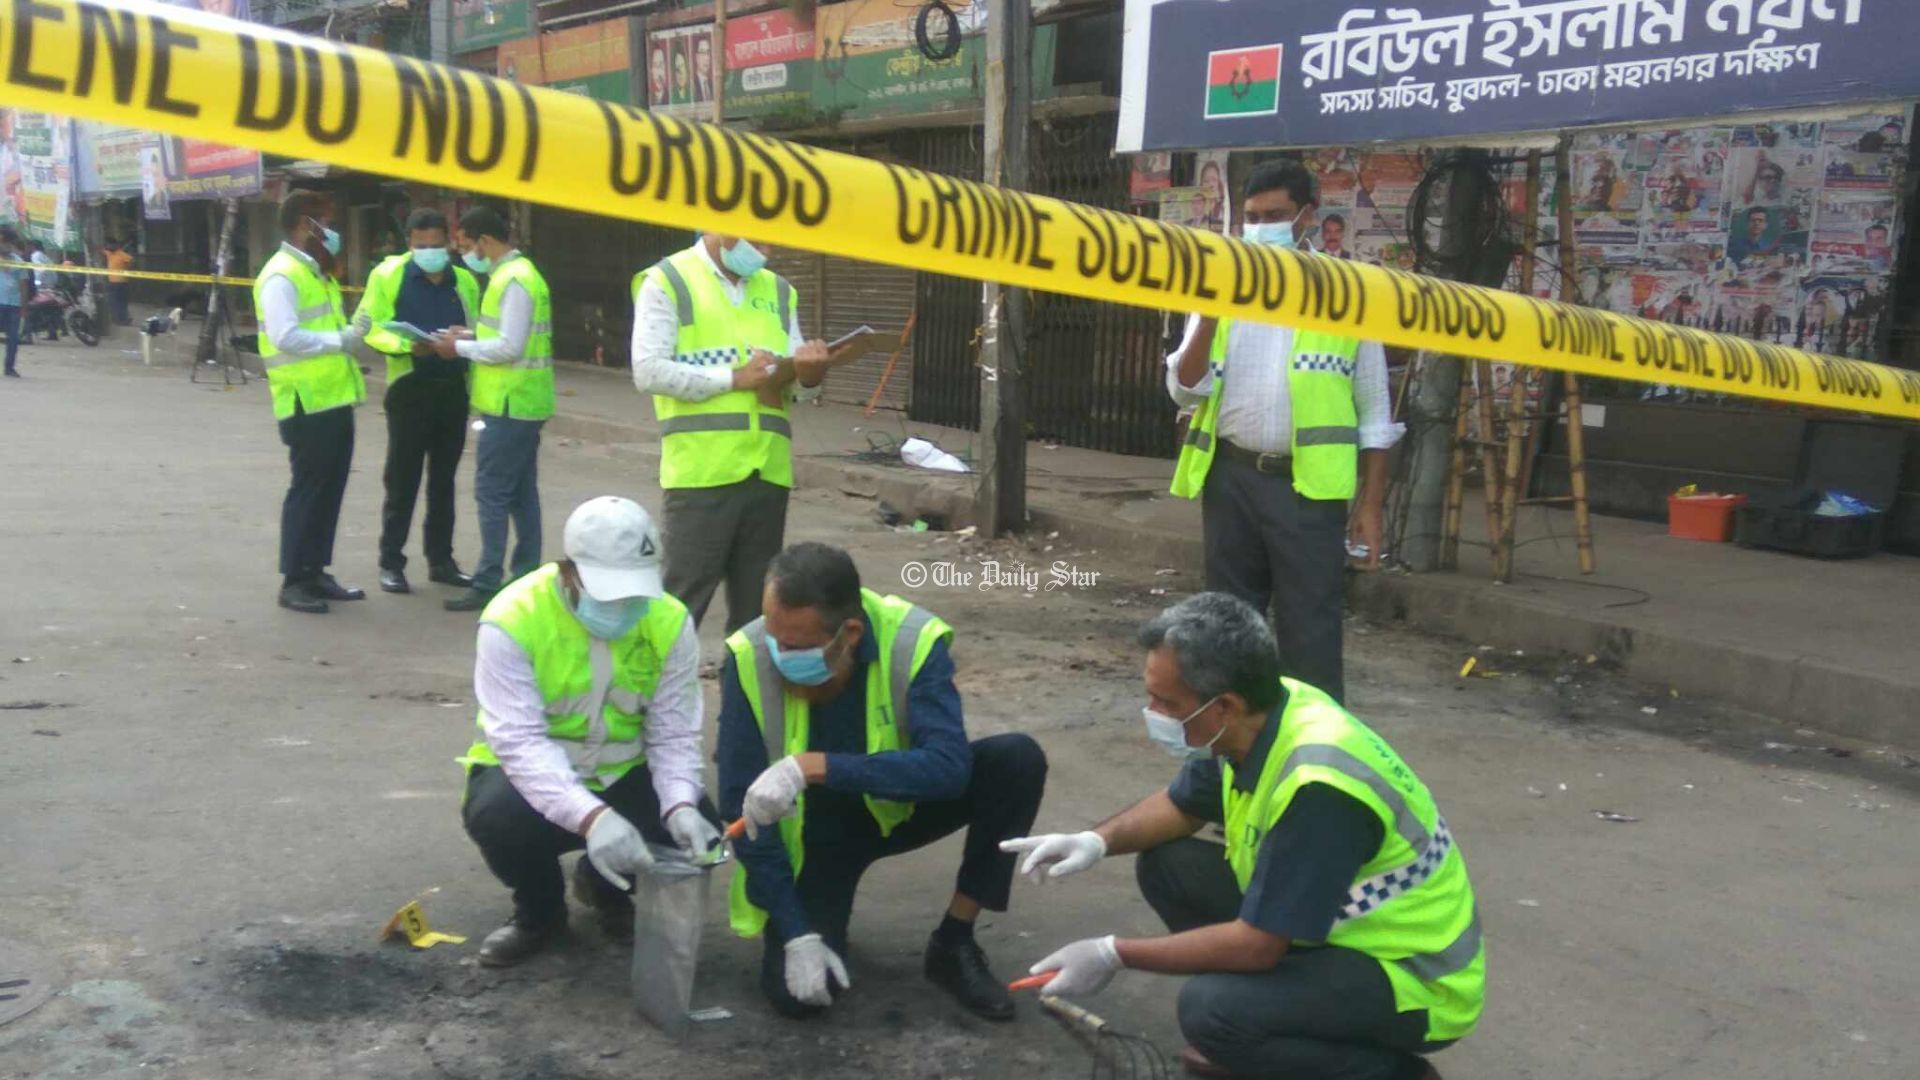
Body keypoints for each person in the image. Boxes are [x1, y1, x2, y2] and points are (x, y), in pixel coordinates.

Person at [1005, 593, 1483, 1080]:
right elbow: (1181, 807)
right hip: (1338, 934)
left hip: (1415, 978)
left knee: (1210, 1013)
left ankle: (1391, 1073)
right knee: (1169, 865)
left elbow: (1258, 946)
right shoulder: (1263, 711)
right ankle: (1269, 1024)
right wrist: (1094, 841)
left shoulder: (1319, 787)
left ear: (1225, 707)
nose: (1152, 712)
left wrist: (1113, 953)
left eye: (1167, 702)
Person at [719, 542, 1048, 1021]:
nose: (779, 653)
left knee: (1015, 760)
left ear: (849, 633)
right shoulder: (749, 655)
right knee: (799, 998)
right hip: (818, 837)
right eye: (774, 636)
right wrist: (795, 931)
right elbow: (739, 806)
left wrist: (817, 766)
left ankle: (954, 942)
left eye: (796, 646)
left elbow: (948, 768)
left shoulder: (911, 639)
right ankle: (816, 927)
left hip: (902, 806)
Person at [1165, 161, 1402, 705]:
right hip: (1231, 480)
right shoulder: (1219, 283)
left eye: (1274, 216)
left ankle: (1312, 757)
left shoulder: (1346, 292)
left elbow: (1374, 410)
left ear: (1306, 217)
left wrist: (1371, 503)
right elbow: (1184, 388)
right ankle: (1231, 746)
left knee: (1311, 634)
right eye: (1251, 217)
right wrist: (1211, 313)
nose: (1260, 227)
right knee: (1226, 630)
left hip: (1308, 491)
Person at [459, 496, 725, 967]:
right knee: (496, 818)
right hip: (533, 780)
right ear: (569, 570)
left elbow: (674, 733)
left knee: (695, 831)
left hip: (623, 772)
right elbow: (520, 744)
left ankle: (605, 888)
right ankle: (539, 913)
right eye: (609, 591)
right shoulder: (513, 618)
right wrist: (593, 819)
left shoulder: (667, 620)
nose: (623, 605)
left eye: (633, 592)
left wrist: (680, 802)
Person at [631, 232, 831, 634]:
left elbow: (792, 383)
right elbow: (648, 370)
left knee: (757, 618)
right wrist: (734, 378)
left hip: (768, 473)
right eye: (761, 240)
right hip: (702, 473)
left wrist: (810, 377)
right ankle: (653, 696)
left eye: (773, 242)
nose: (769, 251)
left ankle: (744, 694)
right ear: (722, 228)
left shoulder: (779, 290)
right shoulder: (668, 279)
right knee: (679, 609)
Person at [352, 208, 481, 596]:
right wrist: (404, 346)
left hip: (453, 388)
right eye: (421, 245)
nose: (429, 252)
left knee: (443, 481)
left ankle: (441, 560)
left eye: (436, 245)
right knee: (402, 480)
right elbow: (369, 325)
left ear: (449, 242)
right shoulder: (389, 275)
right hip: (410, 387)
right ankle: (391, 562)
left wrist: (464, 338)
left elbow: (479, 329)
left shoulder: (464, 281)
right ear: (409, 244)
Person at [434, 206, 554, 612]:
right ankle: (525, 579)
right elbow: (503, 334)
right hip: (518, 402)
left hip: (511, 403)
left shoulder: (515, 279)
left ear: (485, 241)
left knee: (493, 493)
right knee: (520, 494)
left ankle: (489, 581)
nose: (467, 255)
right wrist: (468, 334)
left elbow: (509, 347)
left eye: (468, 246)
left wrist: (460, 348)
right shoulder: (512, 276)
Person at [254, 190, 368, 613]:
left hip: (333, 397)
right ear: (307, 223)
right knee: (308, 490)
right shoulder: (282, 275)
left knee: (330, 489)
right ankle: (294, 579)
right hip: (305, 402)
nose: (333, 232)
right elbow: (286, 336)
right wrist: (340, 339)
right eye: (327, 222)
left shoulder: (317, 271)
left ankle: (316, 570)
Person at [0, 229, 25, 378]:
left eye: (7, 242)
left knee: (14, 338)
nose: (5, 245)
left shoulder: (19, 261)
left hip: (13, 305)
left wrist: (24, 307)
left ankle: (9, 367)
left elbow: (23, 285)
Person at [105, 240, 134, 325]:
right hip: (112, 282)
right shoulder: (109, 253)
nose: (109, 247)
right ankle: (117, 319)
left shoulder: (121, 254)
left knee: (121, 302)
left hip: (121, 283)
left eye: (111, 245)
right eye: (108, 245)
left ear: (116, 245)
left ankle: (124, 319)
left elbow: (131, 260)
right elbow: (99, 249)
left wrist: (126, 269)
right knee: (113, 301)